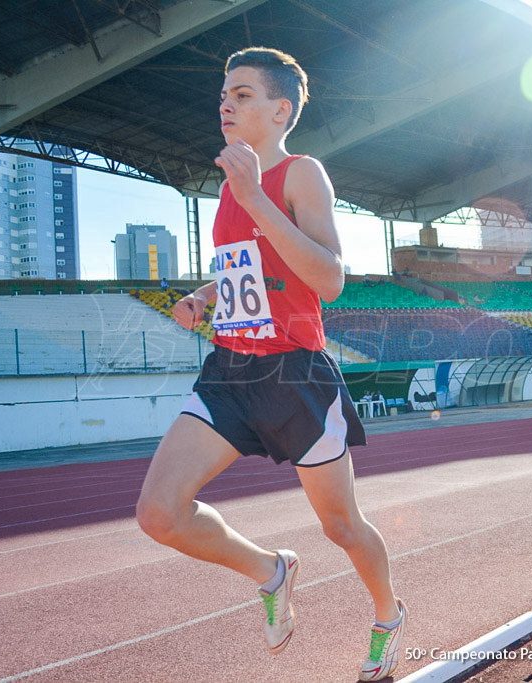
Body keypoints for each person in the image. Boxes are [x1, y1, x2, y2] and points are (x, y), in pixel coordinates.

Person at [135, 48, 405, 681]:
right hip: (231, 370)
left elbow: (330, 279)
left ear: (281, 110)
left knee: (341, 525)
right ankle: (270, 569)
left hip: (294, 375)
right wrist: (204, 298)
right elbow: (248, 272)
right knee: (159, 514)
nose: (226, 103)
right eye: (225, 94)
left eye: (244, 94)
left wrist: (254, 194)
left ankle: (388, 615)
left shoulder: (299, 173)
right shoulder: (233, 188)